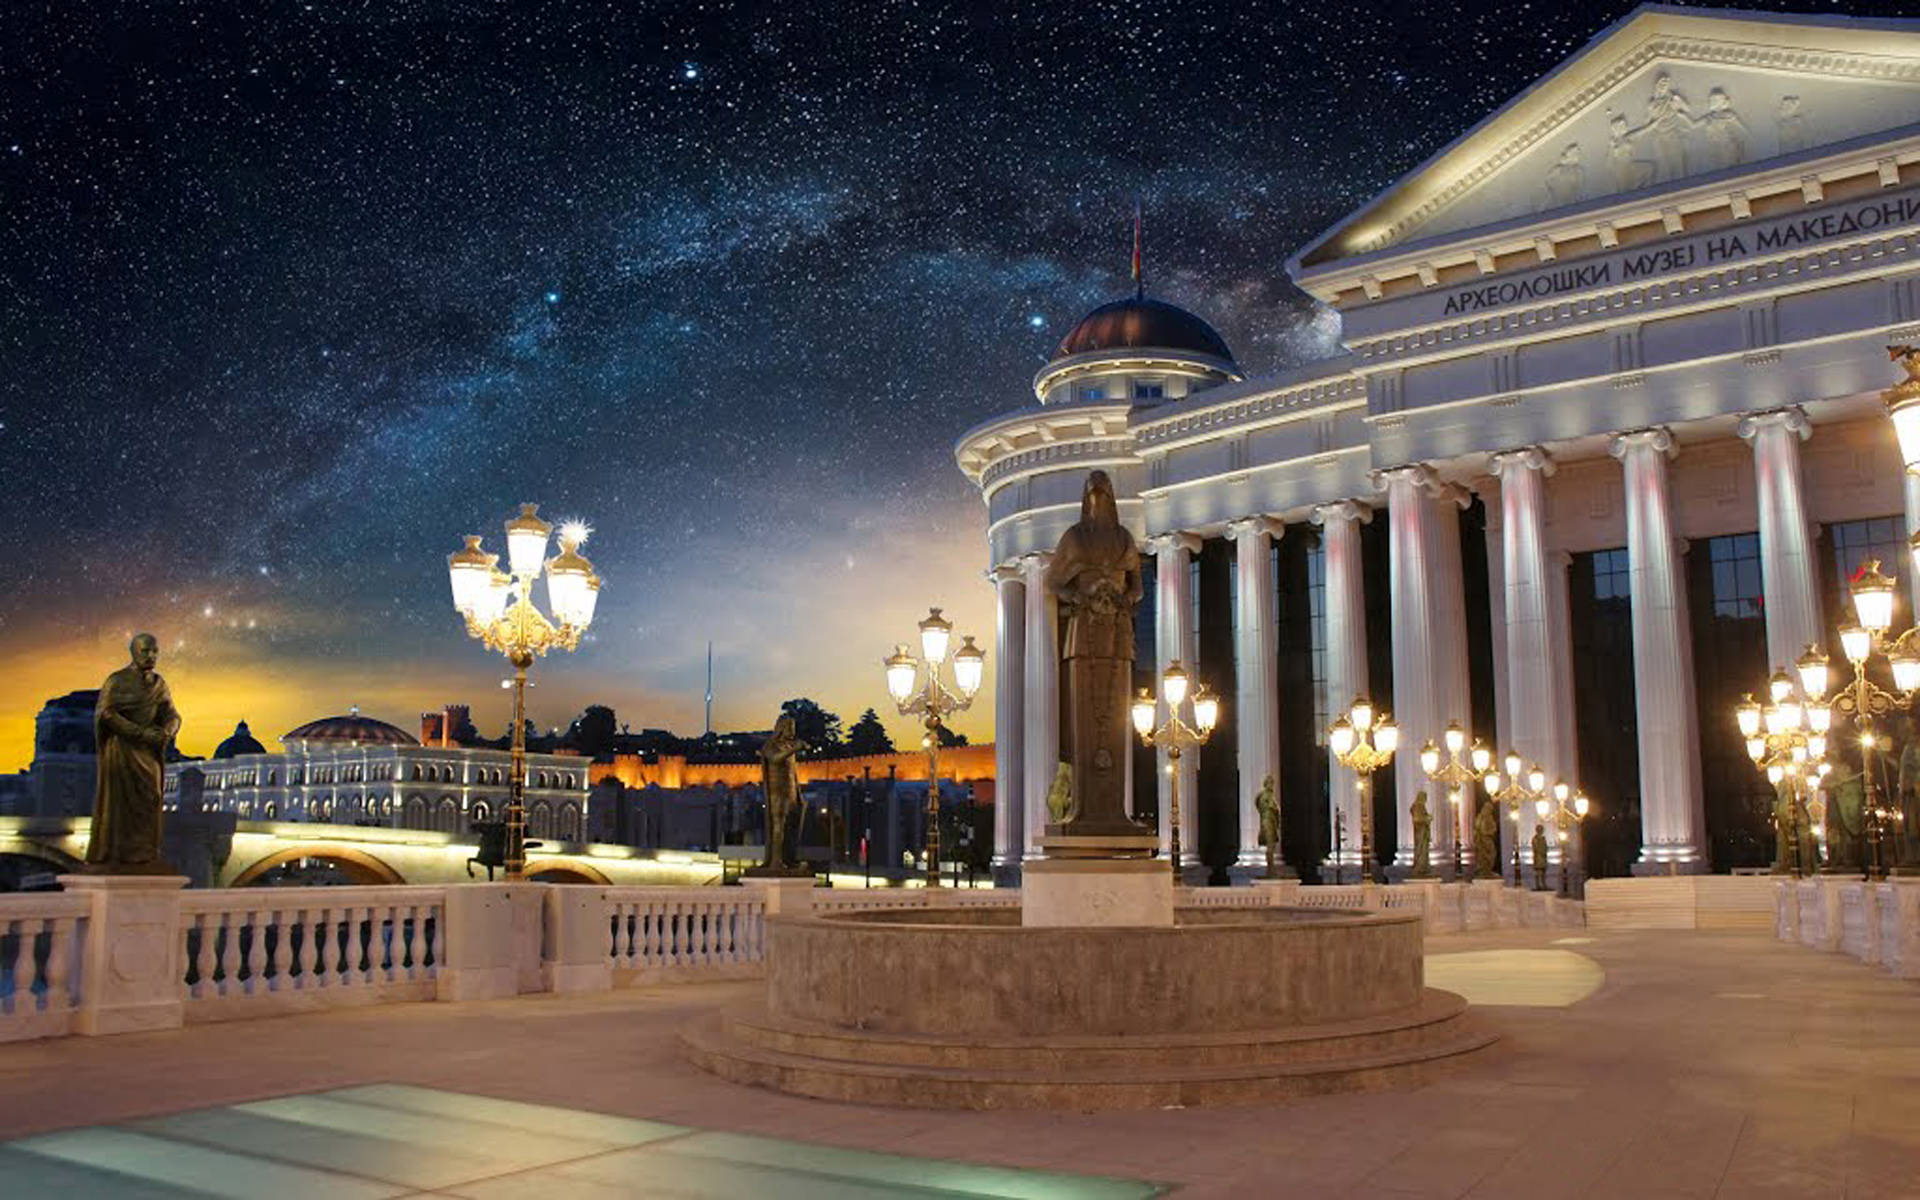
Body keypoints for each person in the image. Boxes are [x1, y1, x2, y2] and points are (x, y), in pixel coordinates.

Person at [87, 633, 182, 872]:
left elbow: (171, 713)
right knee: (120, 802)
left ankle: (145, 852)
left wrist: (168, 731)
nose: (151, 656)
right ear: (134, 652)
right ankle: (120, 853)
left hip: (148, 752)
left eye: (154, 651)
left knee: (151, 797)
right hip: (122, 750)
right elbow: (106, 714)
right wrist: (139, 733)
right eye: (145, 651)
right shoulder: (117, 681)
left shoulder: (159, 684)